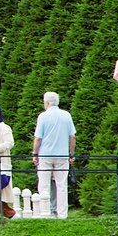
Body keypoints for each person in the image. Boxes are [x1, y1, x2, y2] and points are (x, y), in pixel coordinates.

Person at [32, 90, 77, 219]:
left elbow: (38, 138)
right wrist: (71, 154)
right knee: (61, 185)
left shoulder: (43, 116)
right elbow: (72, 137)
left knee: (44, 184)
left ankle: (45, 212)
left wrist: (35, 153)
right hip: (62, 154)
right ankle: (62, 214)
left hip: (45, 154)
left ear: (46, 103)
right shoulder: (66, 115)